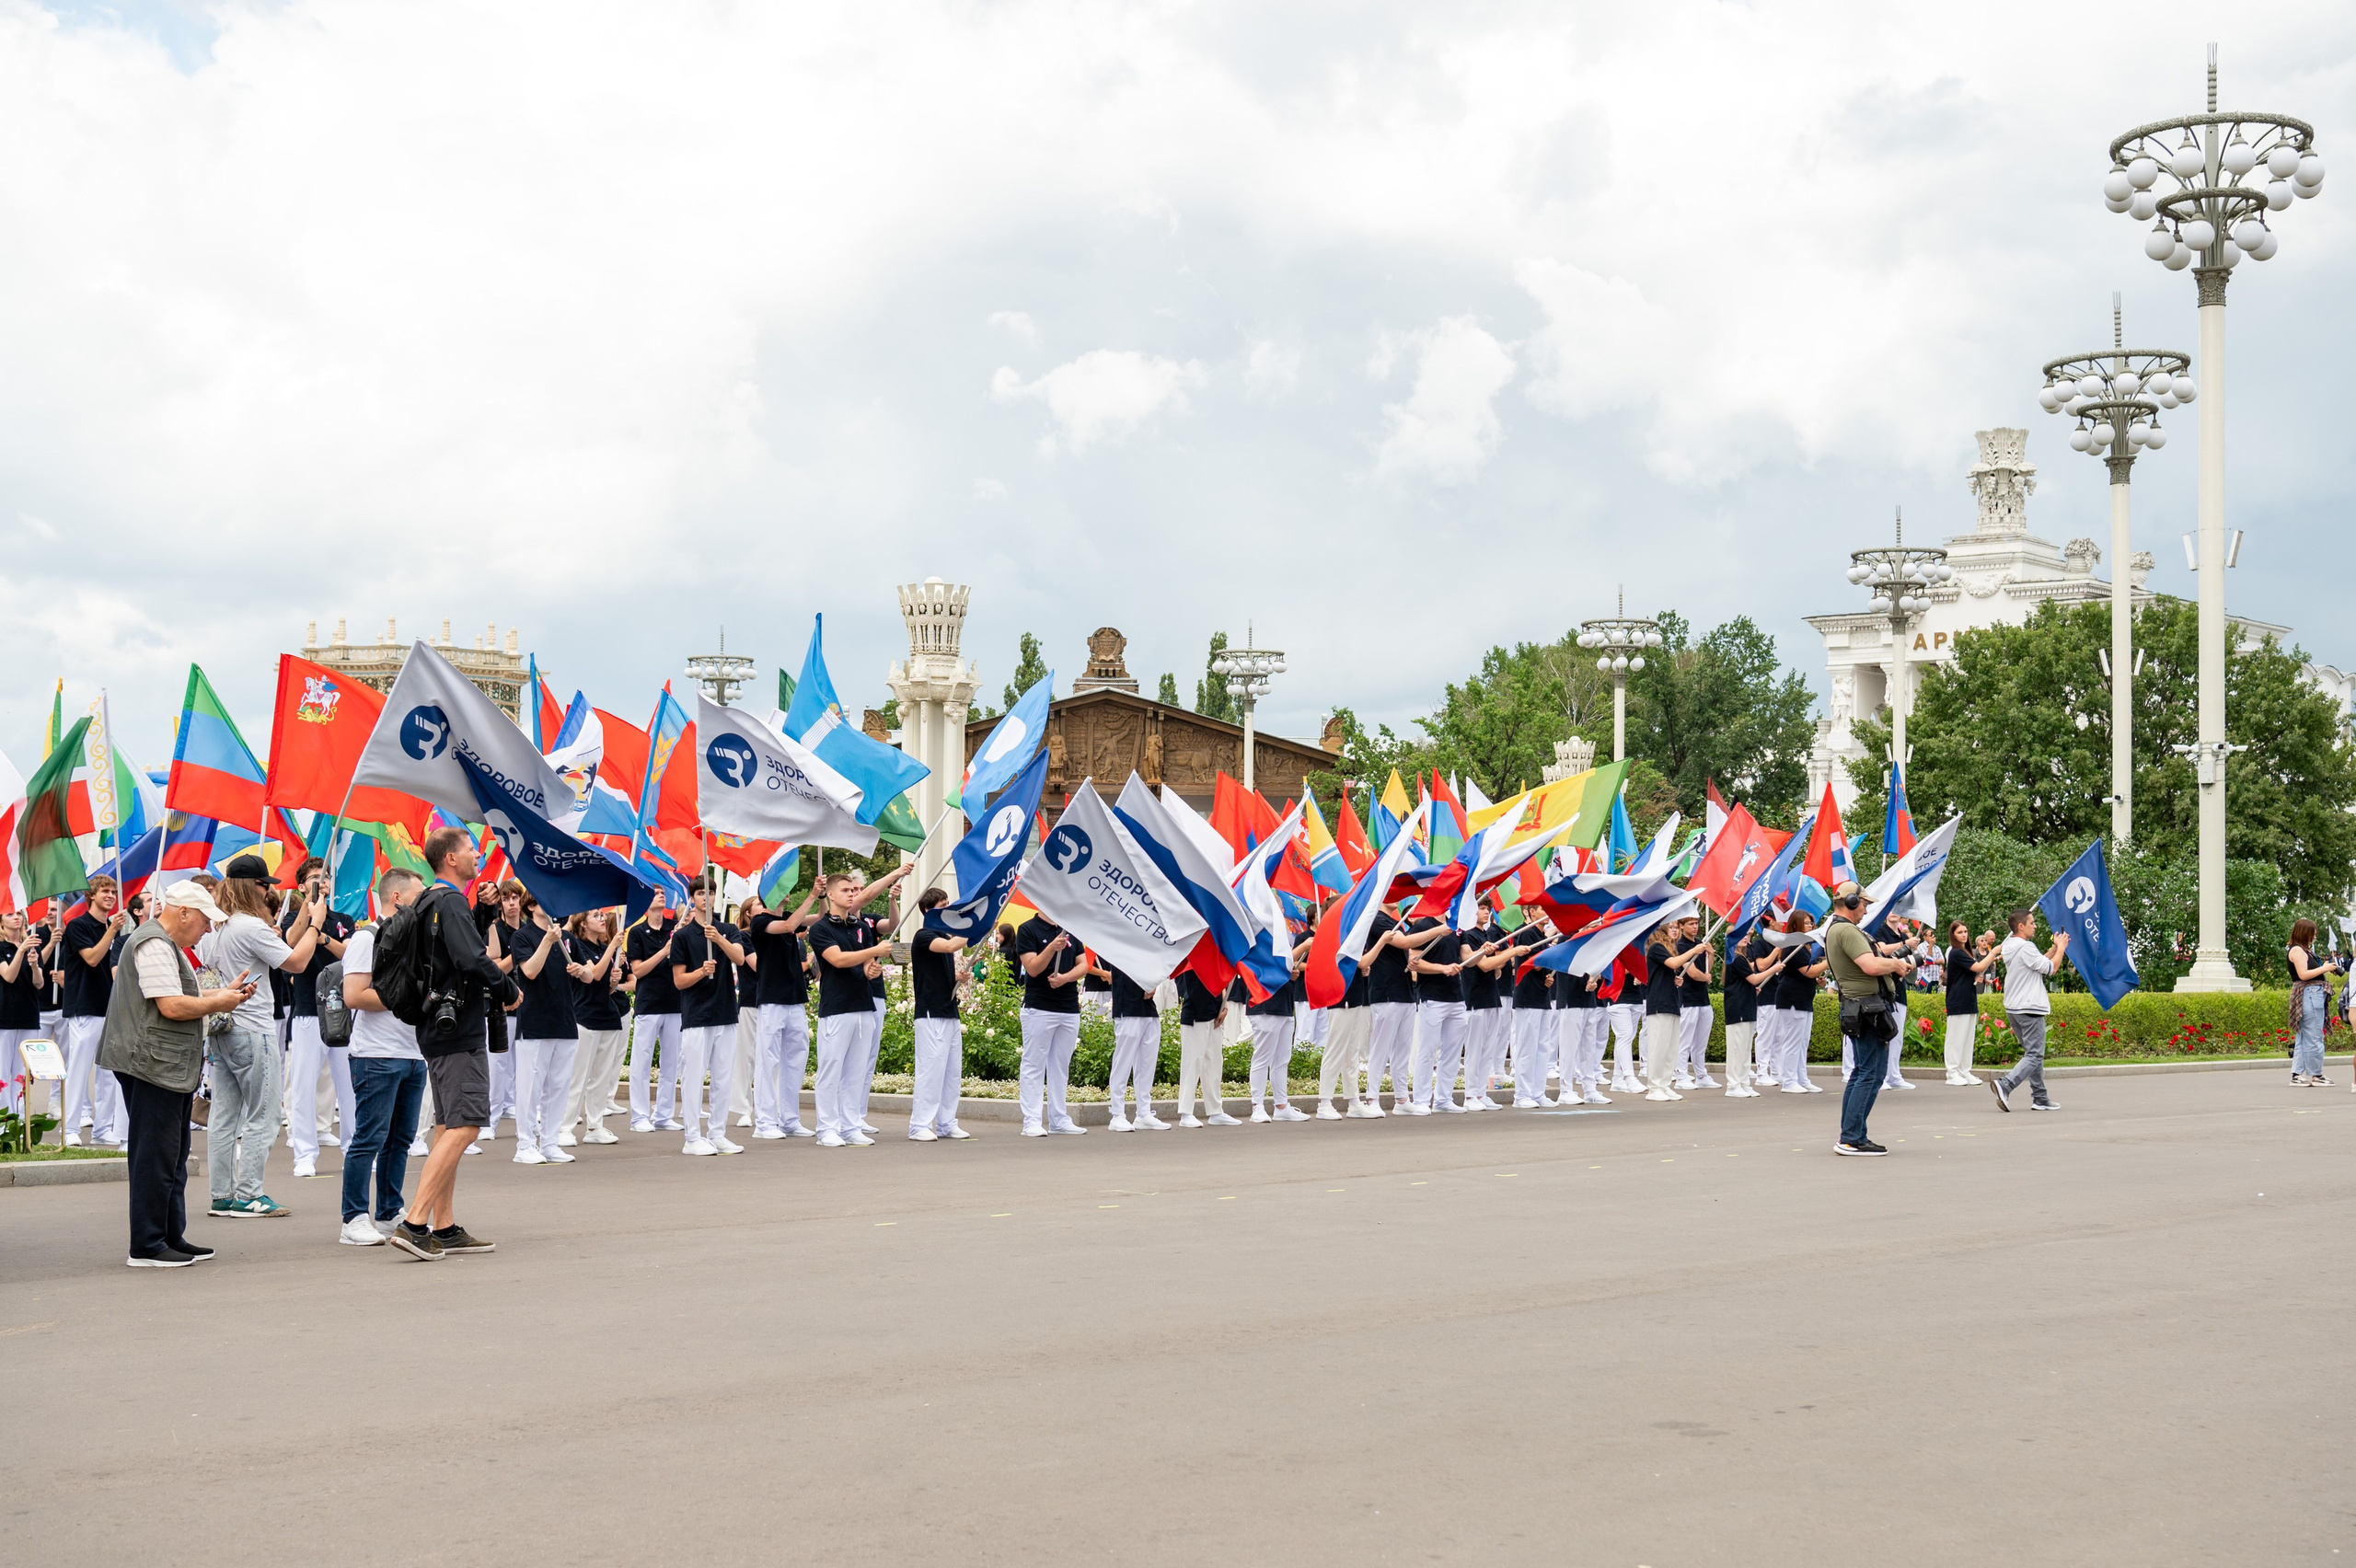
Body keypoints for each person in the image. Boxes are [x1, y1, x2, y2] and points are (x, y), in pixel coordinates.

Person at [98, 880, 254, 1266]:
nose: (207, 929)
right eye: (204, 921)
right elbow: (170, 1006)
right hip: (152, 1065)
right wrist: (219, 1000)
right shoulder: (153, 944)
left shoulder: (166, 945)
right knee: (156, 1155)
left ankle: (170, 1236)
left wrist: (220, 996)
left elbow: (178, 998)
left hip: (165, 1064)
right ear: (183, 912)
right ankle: (148, 1246)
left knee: (172, 1154)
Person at [387, 829, 518, 1260]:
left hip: (435, 1024)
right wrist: (507, 987)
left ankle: (442, 1227)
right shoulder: (447, 901)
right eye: (470, 849)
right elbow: (470, 959)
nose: (477, 854)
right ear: (451, 860)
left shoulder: (428, 902)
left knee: (448, 1125)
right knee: (466, 1124)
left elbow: (448, 955)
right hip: (456, 1028)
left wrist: (480, 914)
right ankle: (414, 1223)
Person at [203, 858, 324, 1217]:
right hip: (253, 1029)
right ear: (249, 887)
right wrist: (316, 925)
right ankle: (249, 1193)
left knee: (224, 1116)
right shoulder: (250, 927)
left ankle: (222, 1194)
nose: (268, 890)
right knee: (264, 1114)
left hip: (223, 1026)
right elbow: (297, 962)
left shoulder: (217, 928)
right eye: (263, 884)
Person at [338, 870, 430, 1246]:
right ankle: (353, 1218)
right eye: (418, 897)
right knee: (369, 1138)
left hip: (413, 1052)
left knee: (401, 1140)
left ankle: (390, 1211)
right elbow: (354, 996)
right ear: (396, 898)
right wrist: (409, 997)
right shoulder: (367, 938)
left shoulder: (417, 942)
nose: (424, 904)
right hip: (376, 1054)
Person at [1823, 881, 1913, 1156]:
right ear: (1851, 903)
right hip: (1866, 1008)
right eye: (1863, 903)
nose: (1865, 909)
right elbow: (1870, 964)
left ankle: (1852, 1135)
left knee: (1863, 1073)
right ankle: (1851, 1138)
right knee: (1869, 1074)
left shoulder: (1840, 929)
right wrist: (1897, 964)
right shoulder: (1847, 931)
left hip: (1862, 1007)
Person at [280, 858, 356, 1180]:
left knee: (350, 1086)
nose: (322, 883)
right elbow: (292, 944)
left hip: (341, 1011)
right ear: (301, 886)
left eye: (326, 878)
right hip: (309, 1011)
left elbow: (350, 954)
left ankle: (355, 1149)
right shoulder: (291, 918)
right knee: (303, 1085)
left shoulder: (344, 919)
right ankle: (305, 1153)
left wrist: (324, 935)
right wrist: (311, 916)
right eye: (315, 878)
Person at [807, 870, 895, 1147]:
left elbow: (865, 968)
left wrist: (871, 968)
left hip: (863, 1005)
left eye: (853, 890)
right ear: (831, 895)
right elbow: (838, 960)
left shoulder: (862, 927)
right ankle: (826, 1129)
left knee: (856, 1070)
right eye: (845, 890)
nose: (852, 894)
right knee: (831, 1069)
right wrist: (873, 953)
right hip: (836, 1007)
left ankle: (851, 1125)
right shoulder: (820, 928)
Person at [491, 894, 581, 1165]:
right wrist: (547, 941)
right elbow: (529, 971)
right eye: (543, 901)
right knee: (530, 1086)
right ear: (531, 907)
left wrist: (582, 971)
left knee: (559, 1086)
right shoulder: (523, 936)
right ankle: (525, 1144)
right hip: (534, 1021)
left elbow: (587, 975)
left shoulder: (568, 939)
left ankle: (550, 1142)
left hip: (565, 1019)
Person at [671, 881, 747, 1156]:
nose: (707, 898)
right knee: (693, 1077)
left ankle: (717, 1133)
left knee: (723, 1077)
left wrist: (718, 939)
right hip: (697, 1016)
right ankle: (692, 1137)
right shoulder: (682, 936)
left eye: (711, 893)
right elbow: (679, 981)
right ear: (692, 899)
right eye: (701, 893)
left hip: (725, 1012)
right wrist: (701, 972)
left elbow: (740, 958)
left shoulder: (727, 930)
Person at [59, 873, 131, 1148]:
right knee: (79, 1068)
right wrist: (112, 931)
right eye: (105, 891)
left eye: (113, 891)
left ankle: (104, 1127)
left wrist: (114, 931)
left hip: (109, 1005)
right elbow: (91, 958)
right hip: (84, 1005)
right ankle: (70, 1128)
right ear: (92, 895)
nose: (111, 896)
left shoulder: (114, 929)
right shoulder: (78, 926)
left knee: (109, 1072)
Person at [744, 881, 821, 1139]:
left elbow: (819, 916)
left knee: (796, 1058)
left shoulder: (789, 916)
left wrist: (821, 896)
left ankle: (789, 1119)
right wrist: (811, 894)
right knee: (768, 1060)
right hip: (772, 997)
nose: (787, 890)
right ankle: (765, 1123)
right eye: (781, 886)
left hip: (795, 997)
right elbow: (788, 927)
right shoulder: (759, 921)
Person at [1359, 900, 1442, 1115]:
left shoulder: (1397, 921)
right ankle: (1372, 1098)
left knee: (1402, 1050)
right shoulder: (1377, 920)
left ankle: (1402, 1099)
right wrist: (1441, 928)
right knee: (1381, 1048)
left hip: (1405, 992)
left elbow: (1403, 951)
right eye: (1392, 893)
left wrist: (1411, 963)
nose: (1397, 898)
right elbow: (1405, 943)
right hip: (1386, 992)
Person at [906, 889, 976, 1141]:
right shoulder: (924, 935)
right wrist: (974, 928)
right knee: (931, 1069)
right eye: (943, 905)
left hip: (949, 1010)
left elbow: (938, 969)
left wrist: (958, 977)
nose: (948, 908)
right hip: (930, 1012)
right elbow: (947, 946)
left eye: (948, 904)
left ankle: (947, 1122)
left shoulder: (942, 935)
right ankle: (919, 1125)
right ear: (928, 911)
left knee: (951, 1071)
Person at [1013, 908, 1087, 1136]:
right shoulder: (1027, 929)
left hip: (1068, 1007)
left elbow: (1083, 965)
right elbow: (1032, 968)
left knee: (1060, 1065)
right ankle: (1032, 1120)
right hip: (1039, 1007)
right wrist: (1051, 948)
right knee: (1034, 1064)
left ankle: (1059, 1118)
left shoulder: (1071, 929)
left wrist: (1065, 978)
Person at [1987, 907, 2069, 1113]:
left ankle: (2040, 1097)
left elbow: (2039, 962)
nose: (2035, 925)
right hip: (2030, 1007)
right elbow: (2052, 968)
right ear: (2021, 926)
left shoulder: (2011, 946)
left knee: (2033, 1055)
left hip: (2014, 1008)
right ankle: (2005, 1085)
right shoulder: (2026, 947)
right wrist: (2061, 948)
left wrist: (2053, 948)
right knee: (2034, 1055)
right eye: (2032, 922)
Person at [559, 908, 628, 1146]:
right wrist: (612, 949)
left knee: (601, 1077)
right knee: (579, 1076)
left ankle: (595, 1126)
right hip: (585, 1017)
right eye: (596, 916)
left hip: (607, 1015)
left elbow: (604, 986)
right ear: (584, 924)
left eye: (602, 915)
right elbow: (594, 975)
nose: (602, 919)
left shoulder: (602, 948)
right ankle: (565, 1127)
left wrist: (614, 982)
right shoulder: (579, 946)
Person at [625, 893, 685, 1132]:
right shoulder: (637, 932)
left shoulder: (675, 928)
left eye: (662, 893)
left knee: (671, 1063)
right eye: (655, 894)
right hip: (648, 1004)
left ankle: (663, 1114)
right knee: (641, 1062)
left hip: (674, 1003)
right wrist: (664, 951)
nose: (660, 896)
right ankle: (639, 1116)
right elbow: (638, 971)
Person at [1244, 939, 1311, 1123]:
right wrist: (1304, 947)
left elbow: (1283, 966)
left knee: (1281, 1060)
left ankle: (1281, 1105)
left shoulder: (1281, 937)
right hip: (1264, 1004)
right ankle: (1257, 1106)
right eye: (1278, 907)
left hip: (1284, 1004)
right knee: (1262, 1058)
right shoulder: (1259, 936)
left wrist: (1292, 972)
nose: (1280, 909)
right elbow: (1272, 963)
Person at [1407, 917, 1469, 1113]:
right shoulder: (1425, 926)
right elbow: (1414, 961)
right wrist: (1443, 968)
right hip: (1432, 997)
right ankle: (1421, 1100)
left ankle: (1444, 1099)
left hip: (1456, 997)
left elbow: (1466, 955)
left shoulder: (1459, 925)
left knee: (1452, 1052)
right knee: (1428, 1050)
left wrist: (1484, 950)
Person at [1639, 920, 1701, 1101]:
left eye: (1675, 927)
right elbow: (1673, 963)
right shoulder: (1656, 947)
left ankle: (1665, 1084)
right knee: (1658, 1046)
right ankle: (1654, 1086)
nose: (1675, 931)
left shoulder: (1668, 948)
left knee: (1670, 1047)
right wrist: (1693, 951)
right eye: (1672, 927)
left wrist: (1675, 980)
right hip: (1659, 1002)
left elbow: (1666, 971)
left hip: (1671, 1001)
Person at [1103, 959, 1167, 1133]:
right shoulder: (1120, 940)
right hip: (1127, 1006)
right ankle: (1117, 1114)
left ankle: (1144, 1113)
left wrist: (1153, 984)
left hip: (1148, 1007)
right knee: (1122, 1062)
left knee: (1147, 1063)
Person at [1317, 935, 1375, 1119]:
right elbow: (1362, 960)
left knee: (1353, 1051)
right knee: (1335, 1050)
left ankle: (1354, 1101)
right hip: (1341, 996)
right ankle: (1324, 1102)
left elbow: (1360, 964)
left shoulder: (1354, 933)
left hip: (1357, 994)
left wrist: (1364, 969)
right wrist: (1382, 941)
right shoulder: (1340, 935)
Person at [1172, 968, 1237, 1127]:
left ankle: (1215, 1111)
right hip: (1195, 1011)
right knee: (1192, 1062)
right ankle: (1186, 1113)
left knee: (1214, 1062)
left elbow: (1219, 975)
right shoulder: (1193, 948)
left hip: (1215, 1009)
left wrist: (1225, 1004)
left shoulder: (1214, 949)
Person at [1772, 913, 1828, 1093]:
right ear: (1796, 926)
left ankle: (1801, 1078)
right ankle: (1789, 1080)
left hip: (1804, 997)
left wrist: (1818, 980)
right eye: (1807, 923)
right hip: (1792, 998)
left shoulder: (1805, 947)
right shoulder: (1793, 946)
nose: (1811, 925)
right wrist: (1828, 962)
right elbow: (1808, 971)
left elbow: (1810, 975)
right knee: (1793, 1041)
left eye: (1812, 922)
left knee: (1802, 1041)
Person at [0, 909, 46, 1118]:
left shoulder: (33, 946)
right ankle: (3, 1123)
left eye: (19, 913)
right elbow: (8, 976)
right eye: (10, 914)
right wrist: (20, 952)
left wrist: (35, 965)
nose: (16, 917)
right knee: (3, 1074)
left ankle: (19, 1123)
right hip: (5, 1017)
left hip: (29, 1016)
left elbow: (39, 984)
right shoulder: (2, 947)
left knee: (22, 1074)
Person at [2285, 917, 2339, 1087]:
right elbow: (2303, 974)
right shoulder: (2298, 951)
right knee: (2315, 1034)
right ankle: (2317, 1075)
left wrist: (2324, 969)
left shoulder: (2302, 950)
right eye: (2313, 934)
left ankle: (2297, 1075)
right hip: (2309, 993)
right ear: (2305, 933)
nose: (2314, 937)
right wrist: (2325, 968)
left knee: (2303, 1035)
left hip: (2309, 993)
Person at [1942, 918, 1992, 1086]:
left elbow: (1971, 972)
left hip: (1969, 998)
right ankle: (1952, 1073)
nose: (1964, 935)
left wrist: (1976, 978)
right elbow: (1978, 967)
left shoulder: (1966, 952)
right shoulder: (1956, 952)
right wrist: (1993, 953)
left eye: (1965, 931)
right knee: (1955, 1038)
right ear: (1953, 935)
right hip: (1957, 1000)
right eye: (1960, 932)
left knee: (1967, 1038)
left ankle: (1964, 1071)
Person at [1670, 915, 1716, 1090]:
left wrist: (1710, 954)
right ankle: (1681, 1074)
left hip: (1703, 998)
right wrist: (1706, 978)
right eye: (1691, 924)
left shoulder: (1699, 943)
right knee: (1685, 1040)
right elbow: (1694, 973)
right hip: (1688, 999)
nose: (1695, 927)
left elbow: (1706, 969)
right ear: (1682, 926)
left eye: (1696, 923)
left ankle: (1701, 1075)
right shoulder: (1681, 945)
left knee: (1701, 1042)